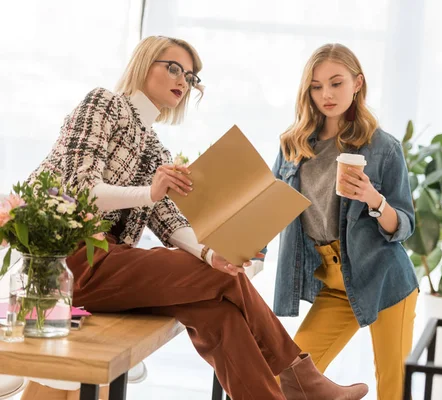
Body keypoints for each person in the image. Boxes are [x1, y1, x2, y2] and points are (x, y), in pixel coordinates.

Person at [20, 36, 368, 400]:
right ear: (144, 63)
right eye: (173, 68)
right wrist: (149, 193)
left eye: (189, 76)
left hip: (109, 269)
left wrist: (210, 254)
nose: (182, 81)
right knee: (219, 283)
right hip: (64, 264)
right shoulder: (104, 104)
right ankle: (301, 377)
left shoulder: (154, 146)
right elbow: (80, 188)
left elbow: (170, 222)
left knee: (221, 318)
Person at [272, 43, 419, 399]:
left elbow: (404, 224)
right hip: (334, 285)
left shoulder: (382, 147)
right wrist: (251, 253)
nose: (327, 94)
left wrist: (374, 199)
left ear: (357, 84)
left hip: (384, 279)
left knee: (392, 388)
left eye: (336, 83)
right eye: (317, 86)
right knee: (285, 380)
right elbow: (270, 205)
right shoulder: (293, 145)